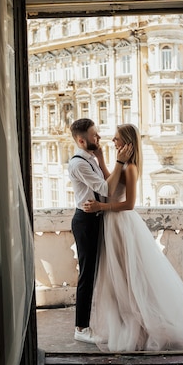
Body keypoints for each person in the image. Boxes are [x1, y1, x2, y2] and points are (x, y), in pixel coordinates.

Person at [83, 124, 183, 352]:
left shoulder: (131, 168)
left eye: (117, 139)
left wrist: (101, 206)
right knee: (118, 276)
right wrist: (101, 159)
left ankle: (140, 325)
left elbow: (129, 204)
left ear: (127, 143)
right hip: (112, 225)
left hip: (121, 224)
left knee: (131, 277)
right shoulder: (123, 166)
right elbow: (110, 184)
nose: (113, 142)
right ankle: (126, 321)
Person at [67, 118, 132, 344]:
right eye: (94, 135)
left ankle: (105, 320)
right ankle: (81, 328)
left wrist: (104, 159)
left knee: (101, 272)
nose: (99, 138)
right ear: (81, 140)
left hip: (98, 218)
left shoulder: (91, 157)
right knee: (87, 274)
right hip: (86, 221)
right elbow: (106, 188)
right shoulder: (79, 163)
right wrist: (117, 161)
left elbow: (106, 182)